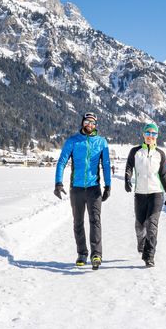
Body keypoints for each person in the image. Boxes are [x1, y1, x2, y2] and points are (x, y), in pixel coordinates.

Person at [54, 112, 112, 269]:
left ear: (96, 125)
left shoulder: (101, 142)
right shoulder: (73, 141)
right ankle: (82, 253)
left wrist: (108, 185)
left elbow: (106, 164)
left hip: (94, 188)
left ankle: (96, 255)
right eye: (87, 122)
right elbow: (61, 162)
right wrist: (58, 182)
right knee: (78, 222)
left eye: (92, 123)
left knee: (95, 221)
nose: (89, 125)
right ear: (82, 123)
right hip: (77, 189)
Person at [124, 122, 166, 268]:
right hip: (140, 194)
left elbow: (163, 175)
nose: (151, 136)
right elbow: (129, 167)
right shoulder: (135, 151)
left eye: (154, 134)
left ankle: (149, 255)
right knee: (140, 225)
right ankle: (141, 242)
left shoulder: (160, 154)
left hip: (156, 193)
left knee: (152, 224)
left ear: (157, 136)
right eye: (148, 133)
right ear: (143, 135)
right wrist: (127, 178)